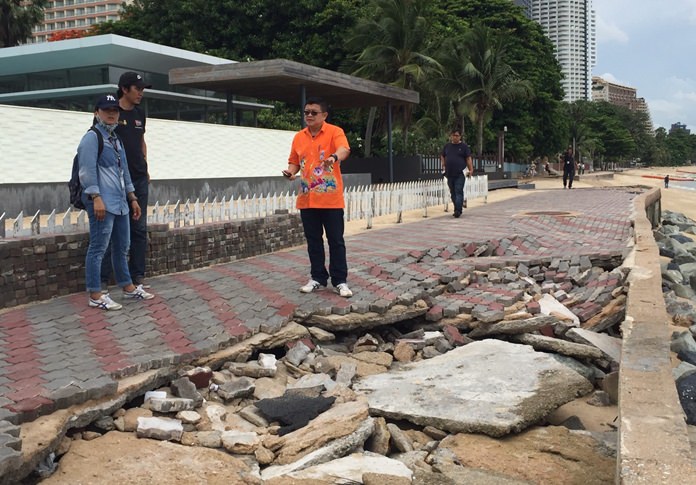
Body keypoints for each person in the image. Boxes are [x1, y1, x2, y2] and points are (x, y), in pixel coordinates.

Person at [79, 94, 154, 310]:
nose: (111, 114)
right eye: (106, 110)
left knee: (122, 247)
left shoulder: (115, 139)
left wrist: (132, 198)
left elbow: (124, 172)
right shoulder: (92, 138)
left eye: (114, 110)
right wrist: (96, 198)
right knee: (98, 248)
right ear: (96, 113)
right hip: (102, 203)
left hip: (120, 202)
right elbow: (86, 171)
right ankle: (95, 294)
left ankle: (128, 287)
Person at [282, 97, 352, 298]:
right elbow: (294, 161)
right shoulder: (299, 137)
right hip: (307, 198)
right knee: (313, 241)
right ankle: (317, 278)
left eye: (313, 112)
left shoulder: (334, 132)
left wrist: (333, 157)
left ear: (324, 115)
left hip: (330, 199)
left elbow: (344, 149)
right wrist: (290, 172)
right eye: (306, 112)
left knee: (336, 241)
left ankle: (340, 281)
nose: (309, 115)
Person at [101, 71, 153, 291]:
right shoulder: (111, 112)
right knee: (111, 228)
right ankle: (102, 278)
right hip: (116, 180)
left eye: (142, 89)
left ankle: (137, 275)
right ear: (124, 89)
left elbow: (141, 141)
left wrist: (146, 165)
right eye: (137, 89)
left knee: (139, 228)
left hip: (139, 179)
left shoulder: (140, 113)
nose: (141, 93)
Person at [440, 129, 473, 218]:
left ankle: (458, 210)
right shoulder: (447, 146)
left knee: (458, 191)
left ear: (460, 137)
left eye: (457, 135)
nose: (455, 137)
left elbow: (468, 158)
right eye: (453, 135)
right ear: (451, 136)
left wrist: (471, 169)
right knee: (453, 192)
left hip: (460, 173)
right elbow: (442, 155)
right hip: (449, 173)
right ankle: (457, 208)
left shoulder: (464, 147)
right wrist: (443, 164)